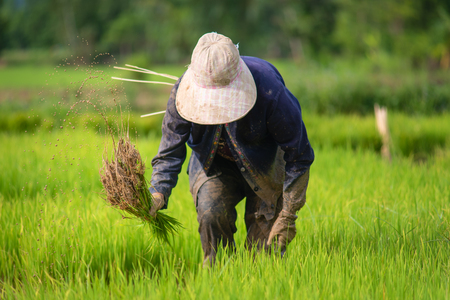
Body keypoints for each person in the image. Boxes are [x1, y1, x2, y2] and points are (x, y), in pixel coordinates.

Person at [149, 32, 314, 265]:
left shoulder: (269, 91)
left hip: (265, 162)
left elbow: (300, 155)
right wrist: (158, 191)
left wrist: (288, 214)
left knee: (264, 253)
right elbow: (170, 150)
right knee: (211, 215)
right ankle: (219, 279)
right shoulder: (182, 93)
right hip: (213, 163)